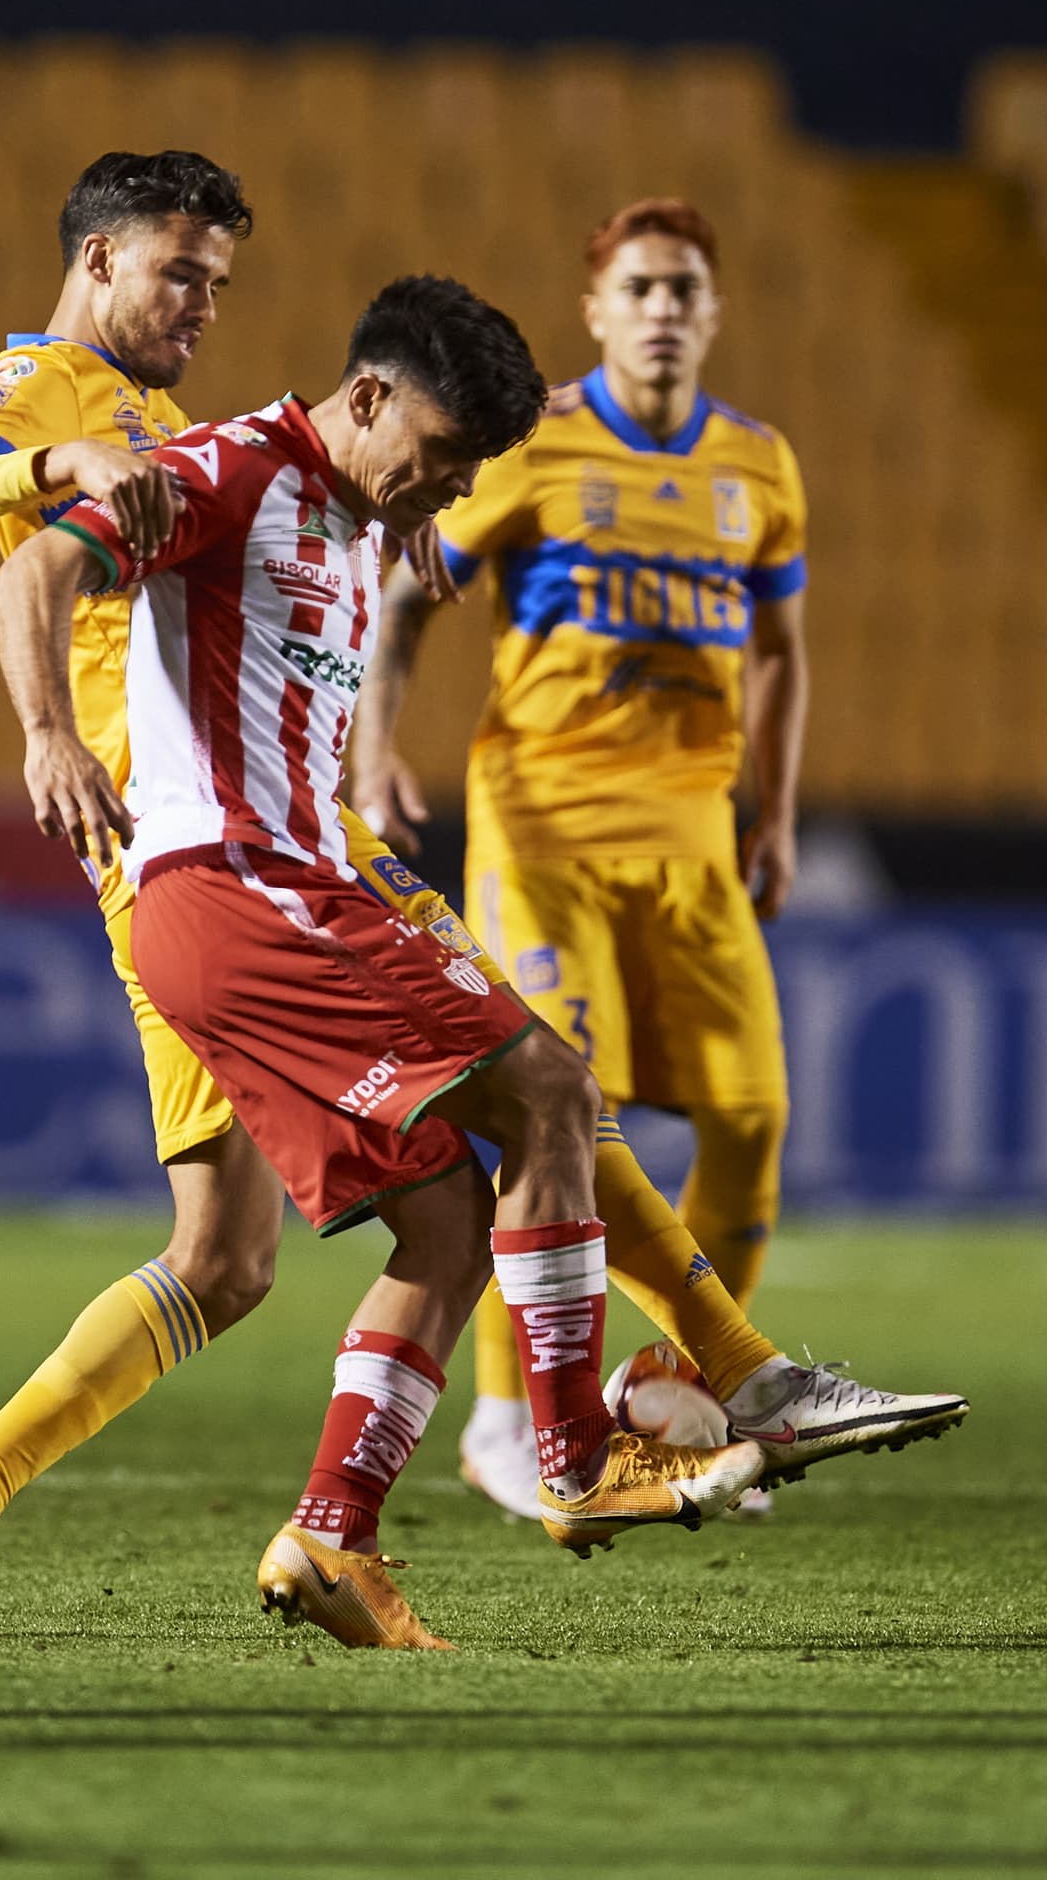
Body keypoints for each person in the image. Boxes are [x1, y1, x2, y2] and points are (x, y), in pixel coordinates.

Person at [0, 273, 967, 1651]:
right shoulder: (221, 472)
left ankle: (334, 1537)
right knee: (553, 1093)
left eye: (469, 474)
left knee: (450, 1228)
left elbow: (347, 615)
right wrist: (48, 736)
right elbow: (36, 566)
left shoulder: (354, 519)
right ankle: (577, 1453)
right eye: (439, 460)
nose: (446, 493)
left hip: (290, 892)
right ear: (371, 397)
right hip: (241, 893)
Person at [0, 157, 756, 1645]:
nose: (204, 301)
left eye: (220, 276)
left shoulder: (188, 429)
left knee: (230, 1256)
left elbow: (284, 486)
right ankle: (647, 1410)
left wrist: (375, 509)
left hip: (244, 849)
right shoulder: (47, 385)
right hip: (210, 857)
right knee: (536, 1088)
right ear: (93, 261)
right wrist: (47, 471)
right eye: (177, 271)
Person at [350, 197, 862, 1517]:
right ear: (596, 310)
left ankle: (687, 1399)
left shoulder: (761, 465)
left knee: (750, 1121)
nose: (664, 309)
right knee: (559, 1108)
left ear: (715, 308)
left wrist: (778, 808)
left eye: (686, 287)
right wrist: (373, 750)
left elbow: (785, 657)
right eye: (639, 287)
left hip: (693, 839)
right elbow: (405, 596)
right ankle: (515, 1425)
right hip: (544, 833)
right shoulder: (537, 446)